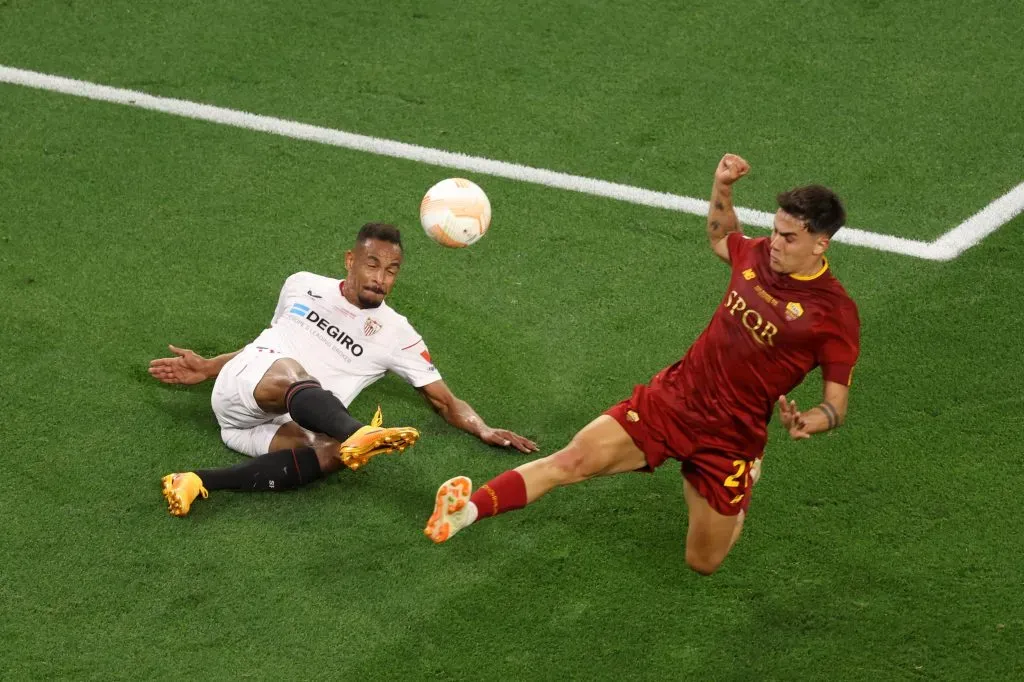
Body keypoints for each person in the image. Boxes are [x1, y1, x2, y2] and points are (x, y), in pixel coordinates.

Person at [424, 154, 860, 575]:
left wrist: (809, 422)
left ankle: (741, 483)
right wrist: (722, 185)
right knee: (571, 460)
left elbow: (836, 404)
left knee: (702, 562)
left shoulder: (833, 315)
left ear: (821, 243)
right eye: (775, 230)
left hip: (731, 437)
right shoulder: (759, 255)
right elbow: (721, 238)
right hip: (673, 398)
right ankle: (466, 511)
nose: (775, 243)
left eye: (789, 238)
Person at [152, 222, 537, 517]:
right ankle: (360, 433)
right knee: (292, 372)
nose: (381, 278)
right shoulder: (302, 285)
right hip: (243, 393)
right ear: (350, 260)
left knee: (334, 453)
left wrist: (482, 427)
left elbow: (445, 402)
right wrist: (210, 368)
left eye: (392, 270)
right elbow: (264, 348)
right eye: (372, 265)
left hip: (267, 429)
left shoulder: (398, 334)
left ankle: (198, 479)